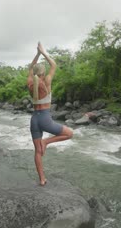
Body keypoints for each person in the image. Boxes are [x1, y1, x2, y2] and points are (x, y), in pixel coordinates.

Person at [27, 42, 73, 186]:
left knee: (37, 152)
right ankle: (46, 142)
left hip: (34, 119)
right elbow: (54, 65)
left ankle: (42, 179)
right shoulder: (46, 81)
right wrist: (43, 53)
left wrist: (37, 55)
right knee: (69, 133)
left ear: (34, 73)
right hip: (45, 119)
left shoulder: (29, 83)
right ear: (42, 73)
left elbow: (30, 67)